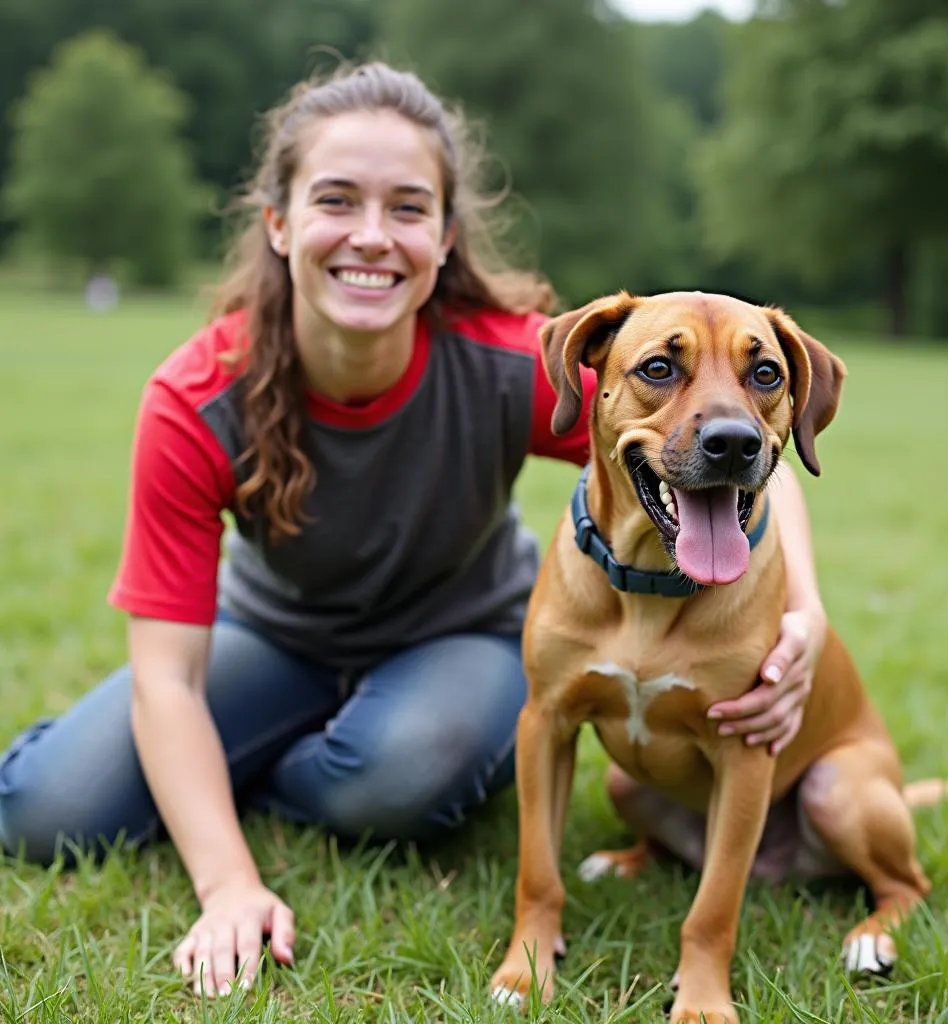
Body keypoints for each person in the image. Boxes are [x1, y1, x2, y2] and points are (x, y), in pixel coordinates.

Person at [0, 62, 827, 998]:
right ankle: (279, 753)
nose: (369, 235)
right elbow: (166, 676)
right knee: (45, 810)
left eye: (406, 207)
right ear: (278, 223)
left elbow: (722, 447)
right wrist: (228, 881)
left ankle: (287, 758)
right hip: (275, 639)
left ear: (443, 237)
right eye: (335, 199)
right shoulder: (196, 399)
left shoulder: (509, 363)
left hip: (460, 636)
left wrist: (807, 612)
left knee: (401, 778)